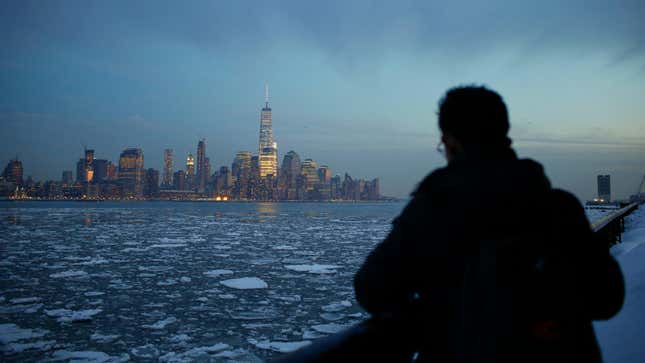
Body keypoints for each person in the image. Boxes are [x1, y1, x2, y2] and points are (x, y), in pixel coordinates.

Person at [353, 86, 624, 363]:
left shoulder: (434, 208)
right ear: (504, 136)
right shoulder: (558, 207)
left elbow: (372, 288)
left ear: (451, 142)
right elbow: (607, 299)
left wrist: (439, 307)